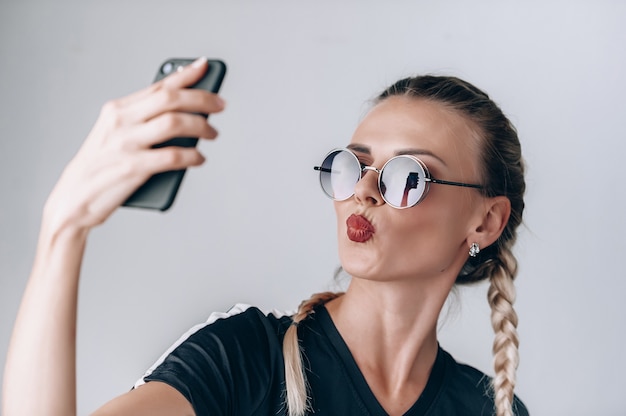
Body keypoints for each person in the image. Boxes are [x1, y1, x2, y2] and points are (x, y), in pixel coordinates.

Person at [2, 57, 529, 416]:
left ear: (484, 221)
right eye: (354, 165)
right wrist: (62, 229)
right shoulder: (248, 356)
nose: (364, 190)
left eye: (406, 176)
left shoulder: (489, 408)